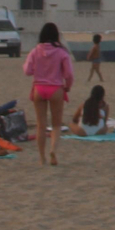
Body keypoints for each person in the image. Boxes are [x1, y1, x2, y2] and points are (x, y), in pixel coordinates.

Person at [22, 22, 75, 166]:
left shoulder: (35, 51)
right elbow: (69, 74)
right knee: (56, 124)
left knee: (41, 125)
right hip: (56, 88)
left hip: (39, 87)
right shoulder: (61, 52)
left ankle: (41, 157)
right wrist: (68, 86)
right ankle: (53, 151)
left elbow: (27, 70)